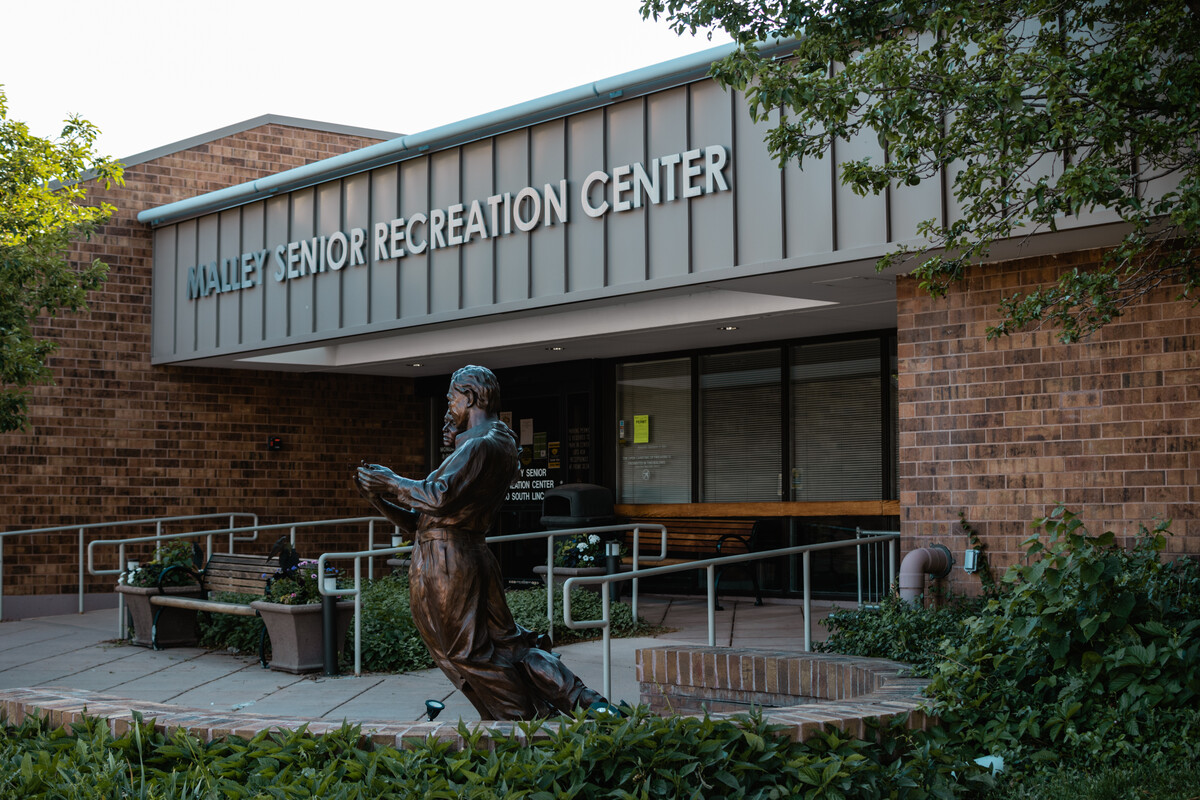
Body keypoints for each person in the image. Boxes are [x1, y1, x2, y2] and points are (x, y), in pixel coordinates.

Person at [355, 365, 608, 720]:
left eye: (451, 398)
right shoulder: (487, 444)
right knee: (509, 646)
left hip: (449, 560)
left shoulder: (482, 445)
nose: (449, 407)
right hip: (453, 550)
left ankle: (526, 722)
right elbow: (423, 524)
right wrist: (379, 498)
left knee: (464, 654)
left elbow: (437, 496)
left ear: (469, 396)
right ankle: (580, 702)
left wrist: (390, 480)